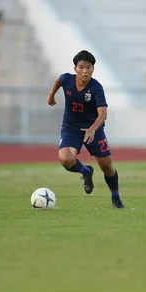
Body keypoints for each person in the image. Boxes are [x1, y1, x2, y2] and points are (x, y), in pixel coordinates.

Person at [47, 50, 125, 209]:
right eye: (81, 67)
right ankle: (86, 172)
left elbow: (103, 115)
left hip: (94, 130)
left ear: (93, 69)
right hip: (71, 128)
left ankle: (115, 196)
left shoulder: (96, 88)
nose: (85, 71)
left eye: (88, 67)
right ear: (75, 68)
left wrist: (92, 130)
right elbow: (58, 80)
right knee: (65, 159)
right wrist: (51, 96)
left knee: (107, 167)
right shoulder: (67, 79)